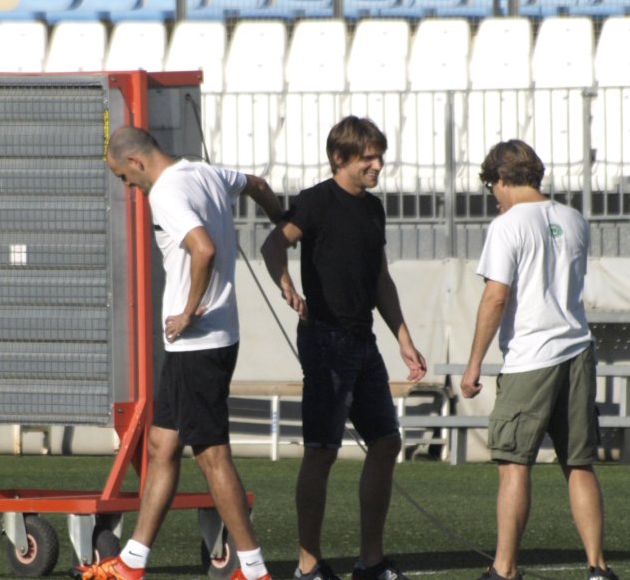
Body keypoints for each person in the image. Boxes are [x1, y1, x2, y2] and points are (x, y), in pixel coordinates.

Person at [76, 126, 285, 580]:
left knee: (211, 456)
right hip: (200, 342)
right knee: (161, 444)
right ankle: (132, 562)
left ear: (135, 162)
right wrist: (281, 223)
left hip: (197, 343)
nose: (127, 186)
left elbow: (202, 249)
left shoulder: (166, 192)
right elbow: (258, 184)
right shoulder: (205, 173)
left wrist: (189, 311)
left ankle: (254, 571)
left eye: (123, 176)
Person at [260, 116, 427, 580]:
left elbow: (380, 279)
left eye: (380, 157)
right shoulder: (315, 201)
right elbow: (273, 246)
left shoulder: (374, 209)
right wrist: (286, 284)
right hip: (325, 340)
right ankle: (307, 564)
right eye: (368, 158)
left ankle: (370, 561)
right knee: (322, 451)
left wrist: (404, 338)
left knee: (386, 441)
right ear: (340, 158)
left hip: (362, 339)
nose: (377, 165)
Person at [459, 140, 617, 580]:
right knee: (578, 463)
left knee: (514, 464)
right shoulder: (574, 218)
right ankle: (598, 567)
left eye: (492, 187)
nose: (494, 196)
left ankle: (504, 568)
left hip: (531, 356)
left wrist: (474, 364)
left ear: (501, 179)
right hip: (578, 350)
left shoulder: (507, 225)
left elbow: (496, 297)